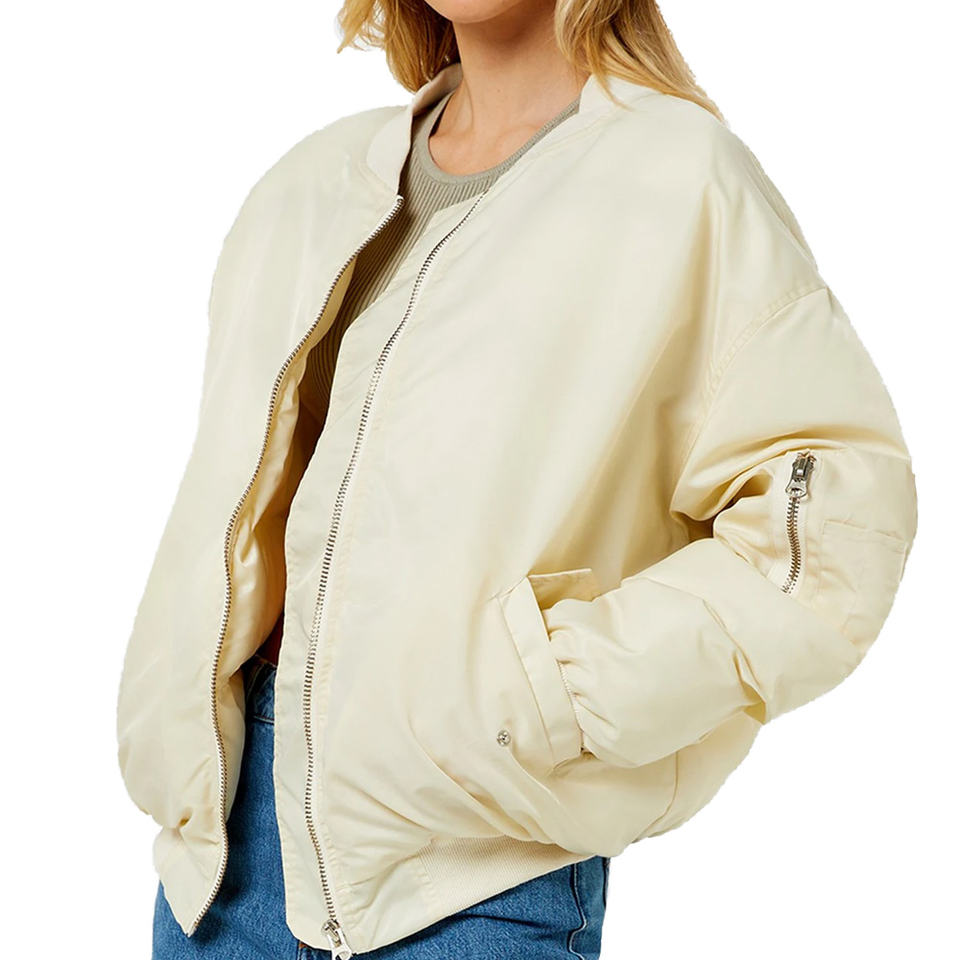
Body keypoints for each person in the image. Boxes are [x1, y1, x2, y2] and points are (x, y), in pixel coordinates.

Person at [117, 2, 919, 958]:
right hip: (221, 864)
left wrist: (553, 694)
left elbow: (833, 524)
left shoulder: (678, 179)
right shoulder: (313, 183)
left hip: (472, 882)